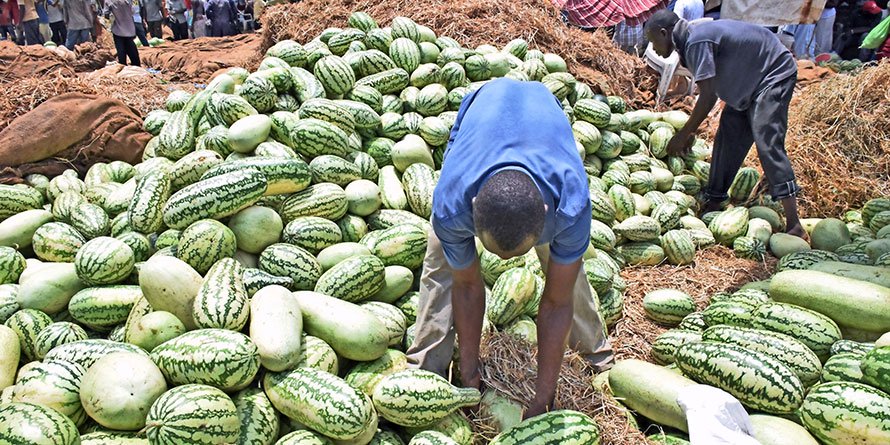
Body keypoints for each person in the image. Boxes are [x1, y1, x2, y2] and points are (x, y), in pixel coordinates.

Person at [406, 78, 614, 419]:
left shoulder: (570, 205)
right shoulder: (452, 202)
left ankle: (596, 357)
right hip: (483, 104)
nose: (504, 263)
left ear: (545, 215)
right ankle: (426, 371)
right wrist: (470, 371)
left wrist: (544, 395)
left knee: (566, 272)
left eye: (517, 254)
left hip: (543, 111)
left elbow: (556, 303)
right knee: (442, 258)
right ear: (472, 208)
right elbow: (469, 286)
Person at [645, 10, 806, 238]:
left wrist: (684, 133)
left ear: (664, 33)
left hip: (772, 72)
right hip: (748, 82)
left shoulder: (696, 40)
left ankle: (794, 224)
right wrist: (691, 131)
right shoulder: (689, 40)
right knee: (728, 137)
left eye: (653, 42)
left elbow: (708, 96)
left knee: (766, 139)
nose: (654, 49)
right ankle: (715, 199)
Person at [103, 0, 140, 65]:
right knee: (131, 48)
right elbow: (134, 10)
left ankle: (123, 65)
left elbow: (106, 14)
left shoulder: (108, 1)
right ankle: (136, 65)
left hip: (118, 29)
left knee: (121, 50)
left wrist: (108, 26)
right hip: (129, 28)